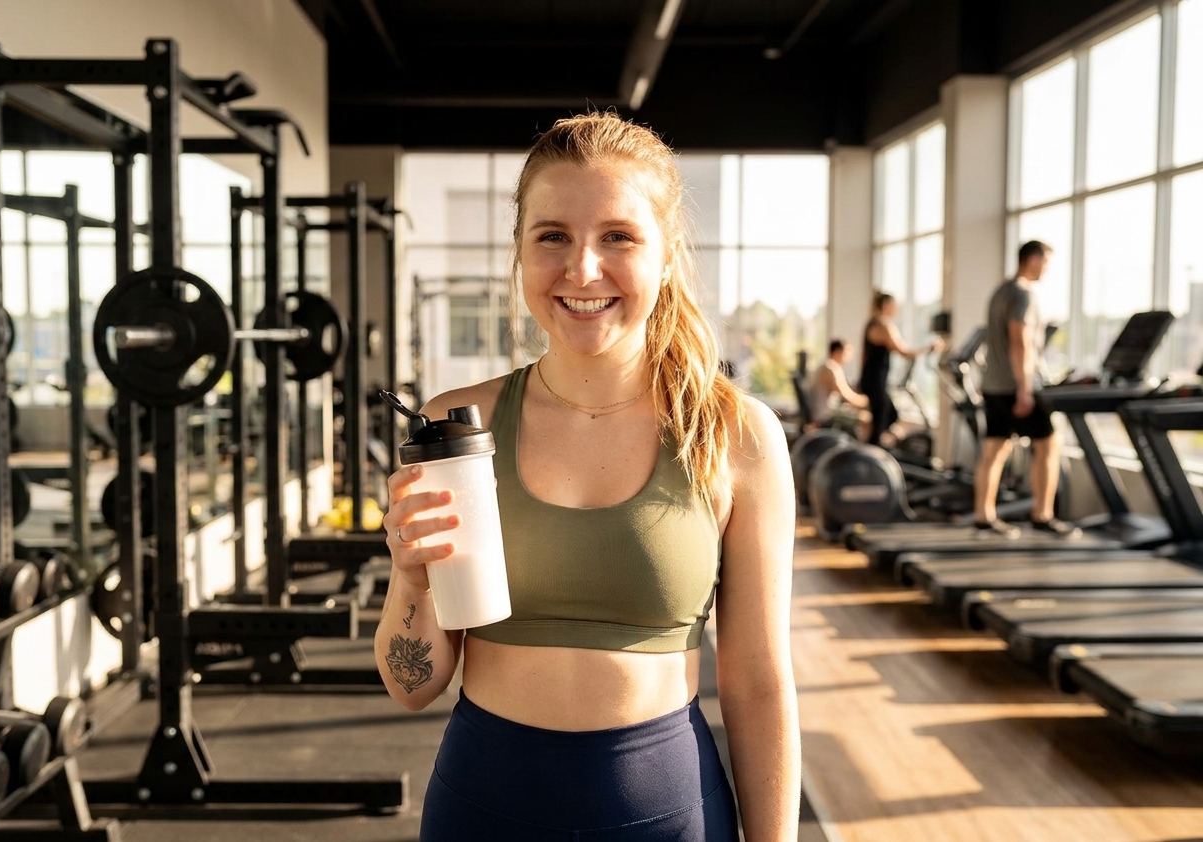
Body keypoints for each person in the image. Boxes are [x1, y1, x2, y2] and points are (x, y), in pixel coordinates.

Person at [374, 112, 800, 842]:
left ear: (666, 255)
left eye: (618, 237)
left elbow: (760, 687)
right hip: (482, 808)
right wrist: (411, 579)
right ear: (519, 252)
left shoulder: (734, 435)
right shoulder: (456, 426)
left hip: (666, 815)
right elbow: (413, 687)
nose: (582, 269)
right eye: (553, 238)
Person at [972, 241, 1074, 537]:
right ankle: (1042, 514)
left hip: (993, 383)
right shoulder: (1023, 294)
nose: (1046, 269)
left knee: (994, 447)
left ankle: (983, 514)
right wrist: (1025, 389)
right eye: (1045, 262)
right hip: (1015, 384)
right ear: (1032, 259)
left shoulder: (1000, 292)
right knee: (1048, 444)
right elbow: (1020, 340)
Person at [859, 291, 941, 447]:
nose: (896, 310)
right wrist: (929, 347)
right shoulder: (883, 325)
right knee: (883, 419)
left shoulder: (872, 324)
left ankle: (872, 448)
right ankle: (869, 454)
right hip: (875, 381)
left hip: (873, 380)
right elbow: (905, 352)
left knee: (890, 415)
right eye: (893, 306)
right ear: (885, 306)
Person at [806, 338, 869, 434]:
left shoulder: (824, 366)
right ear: (837, 352)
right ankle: (861, 447)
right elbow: (846, 395)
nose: (850, 357)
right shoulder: (831, 368)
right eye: (847, 352)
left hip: (822, 412)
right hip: (825, 415)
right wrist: (866, 402)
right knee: (865, 418)